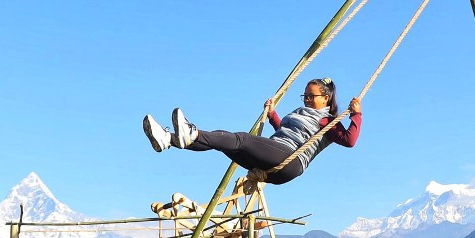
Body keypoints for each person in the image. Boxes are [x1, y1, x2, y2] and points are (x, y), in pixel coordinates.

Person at [142, 78, 362, 185]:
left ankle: (193, 133)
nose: (306, 99)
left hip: (290, 163)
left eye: (311, 96)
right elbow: (284, 131)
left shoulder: (327, 120)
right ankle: (168, 139)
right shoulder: (301, 112)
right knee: (222, 144)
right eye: (304, 95)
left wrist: (356, 115)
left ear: (326, 98)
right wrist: (273, 114)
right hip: (278, 152)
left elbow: (349, 140)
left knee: (241, 139)